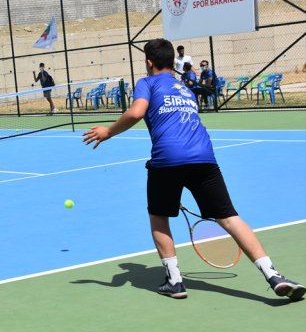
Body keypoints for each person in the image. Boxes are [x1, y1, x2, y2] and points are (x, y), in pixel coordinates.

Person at [82, 38, 305, 301]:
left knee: (158, 217)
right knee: (230, 218)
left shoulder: (147, 83)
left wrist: (108, 131)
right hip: (204, 158)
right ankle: (273, 274)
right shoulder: (185, 89)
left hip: (167, 161)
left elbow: (137, 112)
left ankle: (175, 282)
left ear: (149, 62)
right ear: (171, 61)